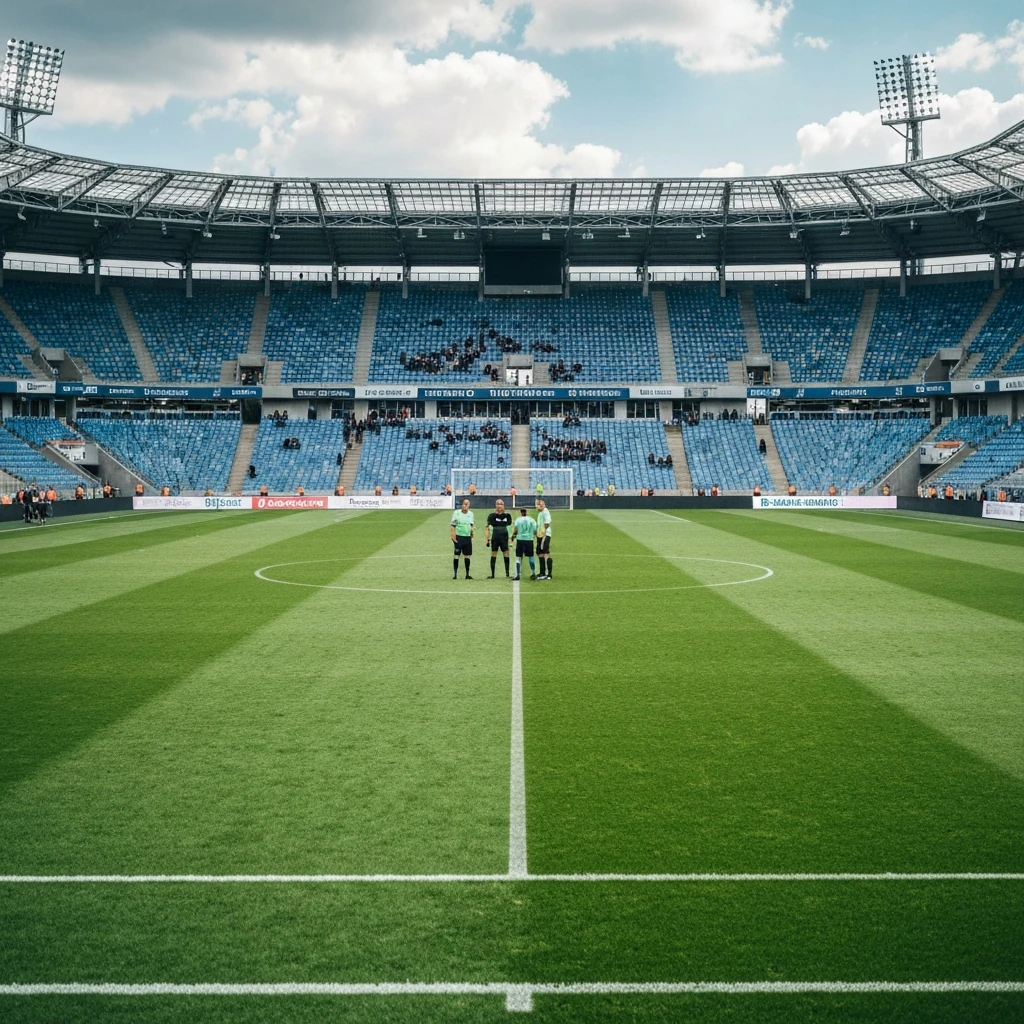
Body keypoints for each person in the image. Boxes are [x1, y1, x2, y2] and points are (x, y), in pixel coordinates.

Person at [485, 498, 514, 578]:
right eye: (498, 504)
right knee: (494, 554)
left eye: (501, 504)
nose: (499, 506)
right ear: (495, 506)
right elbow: (487, 527)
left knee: (506, 554)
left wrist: (511, 539)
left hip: (504, 538)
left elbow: (510, 527)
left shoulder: (507, 516)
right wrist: (487, 539)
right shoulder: (491, 516)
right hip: (495, 538)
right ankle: (492, 574)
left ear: (503, 506)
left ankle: (507, 574)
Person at [450, 497, 475, 579]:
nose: (464, 505)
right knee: (456, 555)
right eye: (463, 504)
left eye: (466, 504)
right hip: (459, 537)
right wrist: (453, 536)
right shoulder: (456, 513)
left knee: (467, 555)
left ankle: (467, 574)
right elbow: (452, 525)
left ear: (469, 506)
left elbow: (471, 525)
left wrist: (472, 533)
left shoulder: (471, 514)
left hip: (467, 537)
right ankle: (455, 574)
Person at [511, 507, 538, 581]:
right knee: (531, 557)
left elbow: (516, 530)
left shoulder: (518, 520)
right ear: (527, 512)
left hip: (520, 540)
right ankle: (533, 573)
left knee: (518, 557)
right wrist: (536, 537)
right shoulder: (531, 520)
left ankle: (517, 575)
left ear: (521, 512)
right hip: (529, 540)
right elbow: (535, 530)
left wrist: (513, 536)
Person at [535, 498, 552, 579]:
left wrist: (543, 533)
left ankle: (549, 574)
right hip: (540, 535)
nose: (536, 507)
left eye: (537, 505)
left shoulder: (545, 511)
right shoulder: (540, 513)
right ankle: (542, 573)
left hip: (544, 535)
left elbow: (547, 522)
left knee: (545, 552)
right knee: (539, 552)